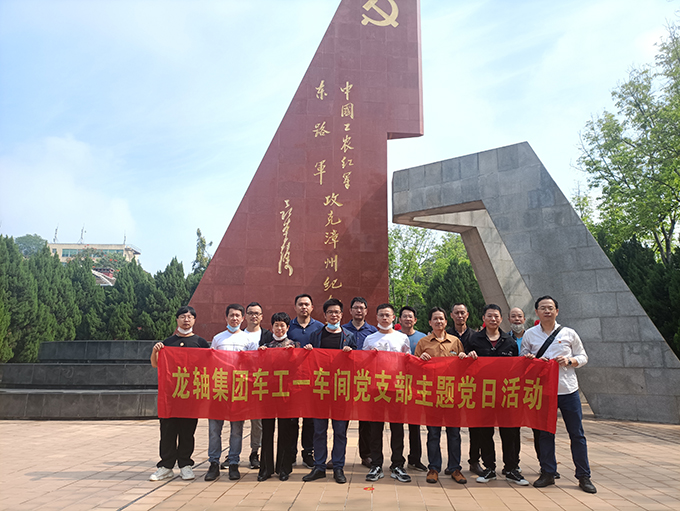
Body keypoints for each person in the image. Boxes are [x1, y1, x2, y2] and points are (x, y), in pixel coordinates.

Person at [521, 296, 597, 494]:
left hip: (568, 390)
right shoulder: (530, 334)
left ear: (557, 311)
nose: (547, 311)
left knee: (577, 434)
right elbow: (523, 357)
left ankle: (583, 476)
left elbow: (583, 356)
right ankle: (548, 472)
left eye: (550, 308)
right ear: (536, 312)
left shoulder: (569, 333)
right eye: (543, 308)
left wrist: (570, 361)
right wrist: (530, 359)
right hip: (543, 391)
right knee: (545, 433)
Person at [465, 304, 529, 486]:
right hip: (483, 395)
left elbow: (516, 368)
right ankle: (489, 468)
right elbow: (464, 364)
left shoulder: (509, 342)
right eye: (489, 316)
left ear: (501, 319)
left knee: (510, 432)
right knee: (485, 432)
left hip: (506, 394)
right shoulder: (474, 339)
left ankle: (511, 468)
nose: (493, 319)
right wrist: (468, 356)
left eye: (496, 316)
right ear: (483, 318)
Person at [149, 306, 209, 481]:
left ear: (194, 320)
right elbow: (155, 364)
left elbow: (209, 366)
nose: (186, 320)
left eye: (190, 317)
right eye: (183, 316)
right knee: (167, 431)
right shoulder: (167, 343)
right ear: (177, 319)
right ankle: (166, 466)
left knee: (187, 432)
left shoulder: (200, 343)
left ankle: (185, 465)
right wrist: (155, 351)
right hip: (170, 396)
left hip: (191, 396)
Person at [301, 299, 356, 484]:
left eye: (337, 312)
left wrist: (351, 354)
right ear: (324, 315)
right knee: (319, 431)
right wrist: (308, 351)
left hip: (341, 391)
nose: (334, 315)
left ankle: (338, 467)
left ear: (342, 315)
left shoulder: (349, 337)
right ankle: (319, 467)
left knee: (340, 431)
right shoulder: (316, 335)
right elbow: (308, 363)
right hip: (320, 391)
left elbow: (357, 364)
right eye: (330, 312)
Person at [204, 304, 259, 482]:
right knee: (214, 430)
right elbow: (211, 362)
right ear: (226, 318)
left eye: (237, 316)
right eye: (231, 315)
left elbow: (254, 365)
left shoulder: (248, 340)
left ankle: (234, 462)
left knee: (236, 430)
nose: (234, 318)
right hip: (219, 390)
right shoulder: (218, 338)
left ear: (243, 318)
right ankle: (213, 463)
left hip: (238, 391)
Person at [414, 307, 467, 485]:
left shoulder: (455, 342)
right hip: (432, 396)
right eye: (435, 319)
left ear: (446, 321)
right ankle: (434, 468)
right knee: (433, 434)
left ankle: (455, 468)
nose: (438, 321)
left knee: (454, 434)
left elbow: (463, 368)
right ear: (430, 322)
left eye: (441, 319)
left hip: (452, 395)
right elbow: (414, 368)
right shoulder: (423, 343)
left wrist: (463, 357)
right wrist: (420, 360)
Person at [363, 303, 412, 483]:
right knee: (375, 429)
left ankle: (397, 464)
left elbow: (408, 363)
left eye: (388, 315)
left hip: (396, 389)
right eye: (381, 315)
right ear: (376, 317)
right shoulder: (370, 339)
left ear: (393, 317)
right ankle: (376, 464)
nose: (384, 318)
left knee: (397, 429)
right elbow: (362, 364)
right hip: (376, 390)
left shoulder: (402, 338)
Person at [257, 312, 300, 481]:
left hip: (287, 395)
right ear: (272, 327)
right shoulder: (265, 346)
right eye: (276, 325)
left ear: (288, 327)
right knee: (267, 431)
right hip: (268, 394)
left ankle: (284, 468)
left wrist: (297, 354)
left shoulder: (295, 345)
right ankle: (265, 469)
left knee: (285, 431)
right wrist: (260, 354)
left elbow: (300, 368)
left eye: (282, 325)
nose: (279, 328)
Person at [287, 293, 324, 469]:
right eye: (300, 304)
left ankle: (308, 453)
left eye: (306, 304)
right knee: (292, 419)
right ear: (295, 307)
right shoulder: (288, 327)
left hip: (313, 380)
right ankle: (290, 452)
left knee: (310, 420)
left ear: (312, 307)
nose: (303, 307)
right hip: (292, 380)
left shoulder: (320, 327)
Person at [446, 302, 482, 477]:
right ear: (451, 316)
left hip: (472, 386)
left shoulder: (477, 337)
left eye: (462, 313)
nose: (460, 316)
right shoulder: (446, 336)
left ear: (467, 315)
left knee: (475, 427)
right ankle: (453, 464)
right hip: (451, 388)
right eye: (456, 313)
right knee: (453, 428)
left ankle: (474, 461)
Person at [342, 296, 378, 469]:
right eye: (355, 308)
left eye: (361, 308)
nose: (358, 310)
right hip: (346, 380)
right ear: (350, 311)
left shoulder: (373, 332)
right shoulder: (342, 330)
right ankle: (338, 456)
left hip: (366, 380)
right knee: (342, 420)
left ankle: (366, 455)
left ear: (366, 311)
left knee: (366, 421)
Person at [242, 301, 273, 470]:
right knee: (236, 420)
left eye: (257, 313)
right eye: (251, 313)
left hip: (260, 384)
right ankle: (232, 455)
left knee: (258, 422)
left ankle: (255, 452)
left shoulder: (268, 336)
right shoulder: (239, 335)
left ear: (262, 317)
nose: (254, 316)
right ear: (245, 316)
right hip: (240, 383)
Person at [398, 306, 427, 472]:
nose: (408, 319)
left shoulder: (423, 338)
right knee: (397, 425)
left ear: (415, 320)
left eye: (410, 316)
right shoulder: (395, 337)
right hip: (397, 385)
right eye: (405, 316)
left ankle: (415, 459)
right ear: (399, 319)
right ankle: (397, 459)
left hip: (416, 387)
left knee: (415, 425)